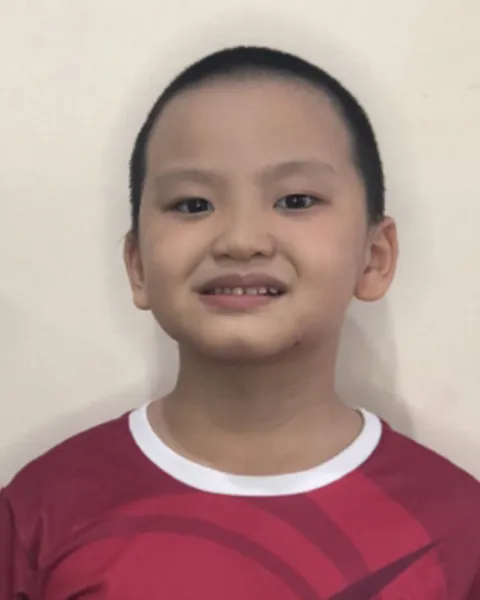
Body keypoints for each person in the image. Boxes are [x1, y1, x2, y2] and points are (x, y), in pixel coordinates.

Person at [1, 46, 479, 600]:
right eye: (193, 205)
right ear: (138, 266)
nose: (241, 240)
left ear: (374, 257)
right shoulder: (40, 513)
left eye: (295, 200)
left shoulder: (457, 528)